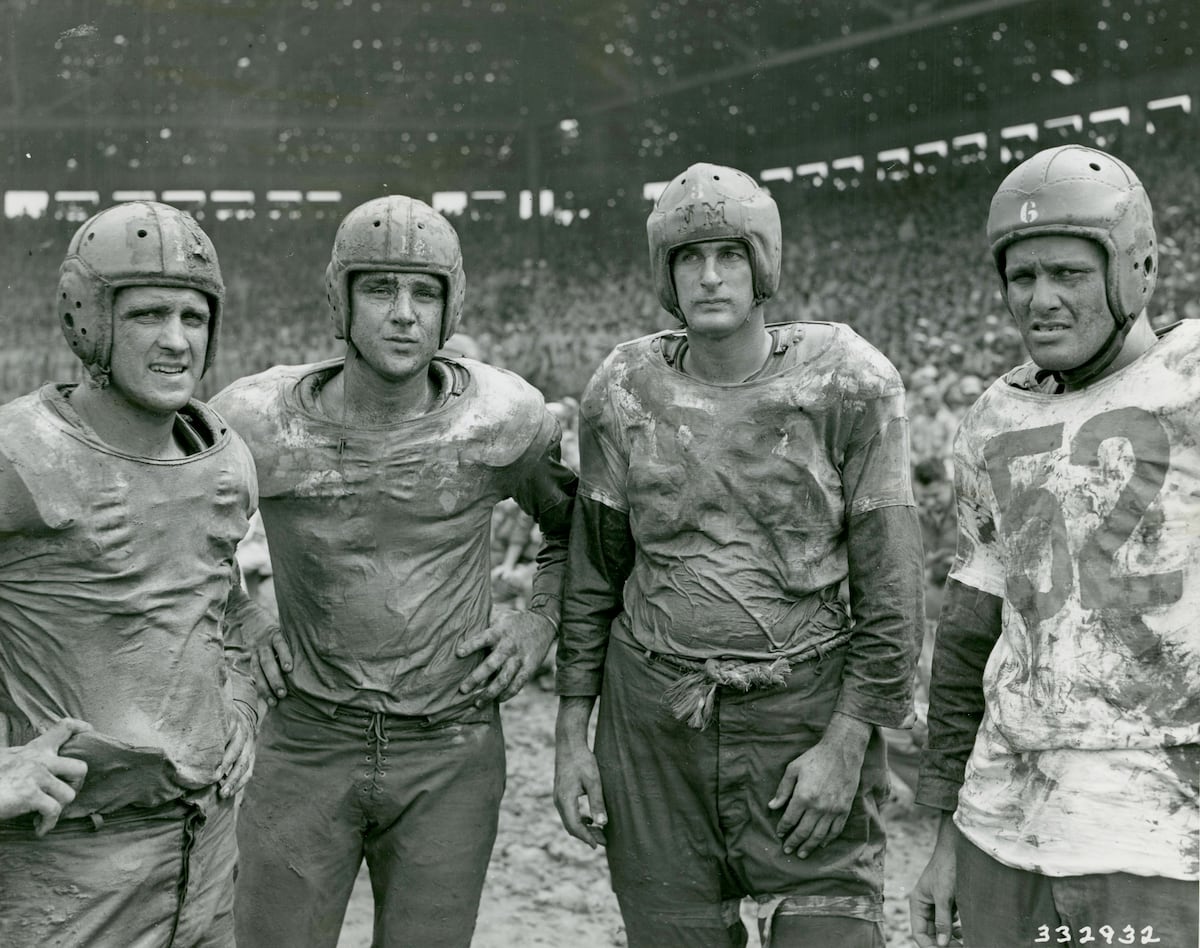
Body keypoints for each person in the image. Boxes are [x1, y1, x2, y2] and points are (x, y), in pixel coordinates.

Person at [553, 163, 924, 947]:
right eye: (690, 257)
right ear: (666, 273)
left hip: (803, 712)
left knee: (833, 930)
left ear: (764, 265)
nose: (711, 276)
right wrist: (569, 741)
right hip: (654, 722)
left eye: (730, 255)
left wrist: (847, 743)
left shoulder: (848, 381)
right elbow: (592, 578)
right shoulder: (624, 388)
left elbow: (892, 589)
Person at [211, 195, 576, 948]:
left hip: (450, 747)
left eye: (425, 291)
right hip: (305, 738)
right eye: (380, 288)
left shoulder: (502, 418)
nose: (405, 313)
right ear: (340, 300)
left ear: (451, 306)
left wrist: (539, 619)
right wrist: (241, 616)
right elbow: (181, 534)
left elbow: (578, 535)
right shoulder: (254, 422)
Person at [910, 144, 1200, 948]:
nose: (1040, 299)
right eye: (1022, 276)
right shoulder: (992, 416)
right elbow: (970, 634)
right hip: (1004, 822)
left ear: (1132, 269)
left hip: (1158, 832)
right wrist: (941, 831)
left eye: (1068, 274)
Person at [0, 201, 265, 947]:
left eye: (194, 315)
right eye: (149, 314)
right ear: (90, 318)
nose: (177, 341)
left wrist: (240, 702)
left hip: (205, 850)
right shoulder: (21, 455)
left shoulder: (224, 459)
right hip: (71, 865)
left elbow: (223, 605)